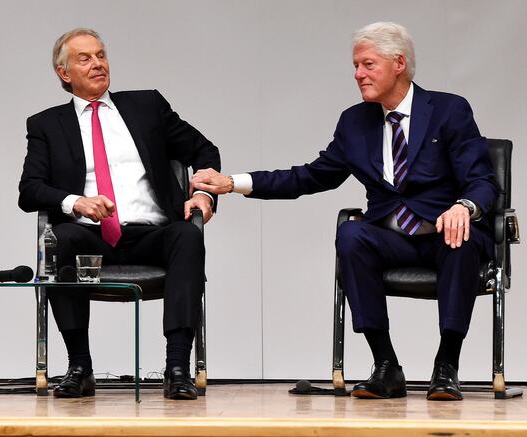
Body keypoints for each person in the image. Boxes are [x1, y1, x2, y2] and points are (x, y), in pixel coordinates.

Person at [191, 22, 495, 401]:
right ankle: (386, 366)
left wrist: (463, 207)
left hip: (445, 234)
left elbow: (483, 180)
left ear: (398, 63)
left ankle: (447, 365)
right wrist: (233, 183)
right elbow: (310, 177)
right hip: (392, 238)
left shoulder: (449, 110)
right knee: (351, 233)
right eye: (355, 66)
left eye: (367, 64)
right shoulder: (355, 121)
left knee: (460, 238)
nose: (358, 74)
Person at [18, 28, 220, 400]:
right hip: (89, 239)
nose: (97, 64)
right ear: (64, 74)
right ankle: (79, 367)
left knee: (188, 234)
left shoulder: (147, 107)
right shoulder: (46, 125)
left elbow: (204, 150)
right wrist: (75, 202)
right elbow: (29, 190)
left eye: (101, 55)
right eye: (85, 59)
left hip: (152, 234)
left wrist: (204, 195)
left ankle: (177, 367)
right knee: (60, 239)